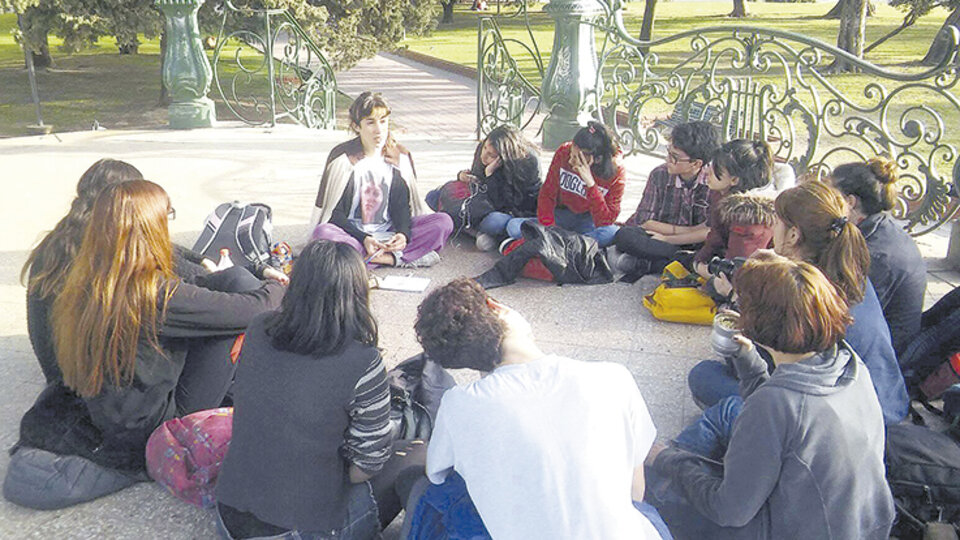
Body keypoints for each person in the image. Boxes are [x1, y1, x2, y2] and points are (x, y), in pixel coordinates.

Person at [4, 180, 285, 510]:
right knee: (234, 321)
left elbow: (198, 282)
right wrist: (275, 280)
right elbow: (258, 309)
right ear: (151, 226)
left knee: (233, 283)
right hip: (150, 427)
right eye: (167, 215)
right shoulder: (147, 293)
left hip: (114, 407)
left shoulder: (93, 274)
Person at [648, 253, 895, 539]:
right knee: (730, 408)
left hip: (791, 530)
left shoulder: (777, 404)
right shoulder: (847, 361)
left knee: (657, 485)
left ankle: (667, 455)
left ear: (757, 322)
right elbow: (785, 416)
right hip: (855, 523)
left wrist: (668, 460)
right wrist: (749, 360)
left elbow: (728, 510)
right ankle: (675, 454)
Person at [404, 278, 671, 539]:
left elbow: (437, 473)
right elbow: (635, 493)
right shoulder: (613, 377)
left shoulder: (459, 404)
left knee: (424, 489)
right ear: (496, 306)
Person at [215, 240, 426, 539]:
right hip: (295, 529)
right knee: (418, 453)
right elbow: (365, 466)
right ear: (356, 296)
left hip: (228, 517)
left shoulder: (259, 327)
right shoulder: (363, 361)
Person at [687, 182, 910, 425]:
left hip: (843, 419)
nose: (773, 228)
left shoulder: (800, 291)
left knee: (704, 376)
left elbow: (768, 362)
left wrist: (739, 297)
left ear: (793, 235)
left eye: (777, 221)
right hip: (885, 403)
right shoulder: (848, 269)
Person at [20, 159, 216, 386]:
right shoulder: (108, 246)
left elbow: (172, 251)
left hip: (58, 369)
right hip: (94, 382)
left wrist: (199, 257)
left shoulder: (55, 241)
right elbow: (191, 280)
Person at [310, 91, 453, 267]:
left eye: (383, 121)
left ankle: (368, 261)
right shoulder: (343, 159)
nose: (379, 130)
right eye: (370, 123)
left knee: (443, 222)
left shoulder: (398, 157)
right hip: (353, 236)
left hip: (388, 234)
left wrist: (402, 234)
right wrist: (364, 238)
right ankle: (400, 259)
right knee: (323, 232)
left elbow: (402, 207)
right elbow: (334, 213)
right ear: (356, 126)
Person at [831, 157, 926, 355]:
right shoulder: (877, 228)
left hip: (882, 355)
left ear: (849, 202)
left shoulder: (876, 253)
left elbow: (845, 314)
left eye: (829, 196)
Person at [613, 121, 721, 276]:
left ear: (696, 163)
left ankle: (652, 264)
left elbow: (711, 232)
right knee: (626, 236)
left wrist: (670, 238)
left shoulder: (712, 182)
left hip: (694, 243)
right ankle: (684, 263)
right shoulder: (659, 174)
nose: (668, 159)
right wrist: (688, 232)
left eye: (674, 157)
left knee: (714, 252)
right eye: (668, 152)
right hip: (659, 239)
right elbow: (645, 220)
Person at [504, 120, 625, 248]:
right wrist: (549, 229)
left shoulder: (617, 171)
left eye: (576, 157)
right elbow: (547, 194)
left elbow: (605, 220)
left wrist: (590, 185)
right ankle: (572, 247)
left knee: (611, 233)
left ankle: (557, 245)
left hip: (589, 221)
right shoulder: (564, 151)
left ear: (597, 159)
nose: (570, 160)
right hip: (562, 215)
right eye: (571, 154)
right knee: (514, 226)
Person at [425, 124, 541, 251]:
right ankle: (476, 231)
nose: (484, 156)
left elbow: (504, 203)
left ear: (504, 157)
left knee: (499, 223)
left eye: (491, 155)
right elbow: (477, 182)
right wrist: (463, 176)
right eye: (485, 148)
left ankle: (482, 232)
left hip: (511, 211)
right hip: (482, 202)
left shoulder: (528, 162)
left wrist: (490, 175)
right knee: (433, 196)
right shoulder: (483, 149)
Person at [691, 139, 776, 276]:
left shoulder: (751, 218)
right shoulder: (723, 195)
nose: (706, 171)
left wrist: (700, 268)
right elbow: (714, 240)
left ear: (735, 180)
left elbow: (737, 270)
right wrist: (699, 261)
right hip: (716, 267)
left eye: (716, 169)